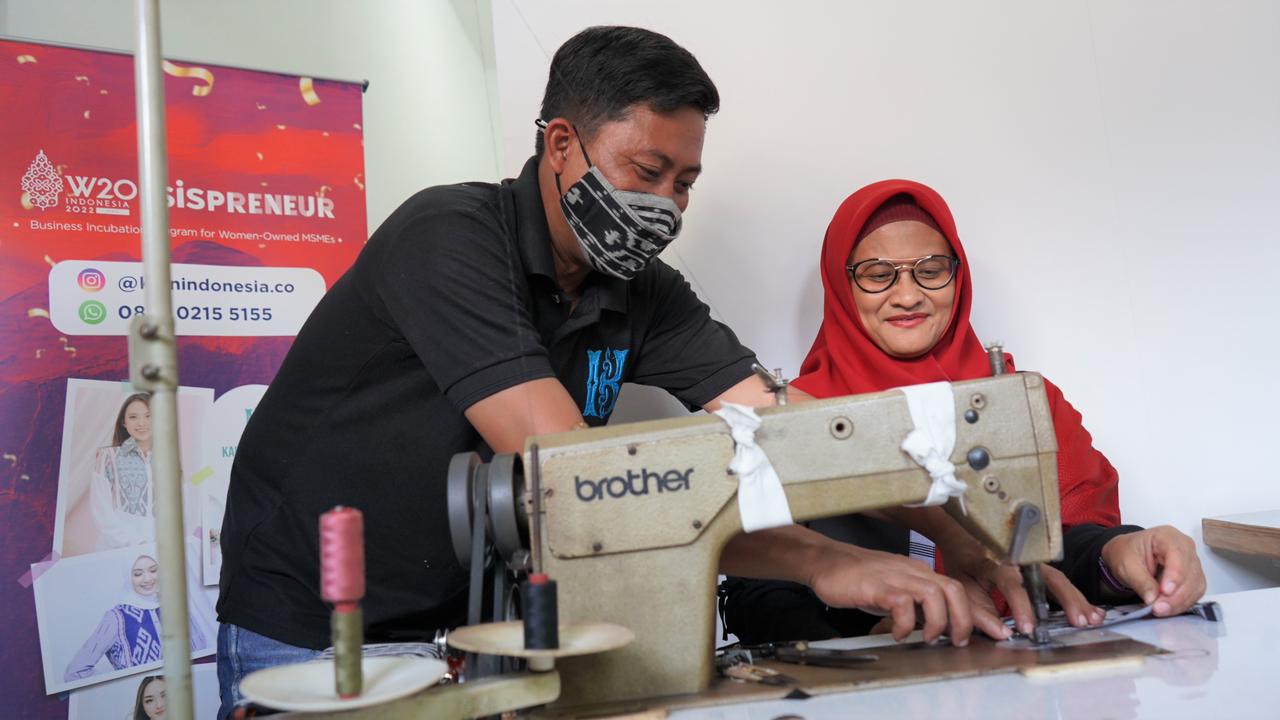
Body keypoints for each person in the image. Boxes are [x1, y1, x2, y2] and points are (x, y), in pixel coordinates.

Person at [215, 26, 989, 717]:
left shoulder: (643, 290)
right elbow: (585, 486)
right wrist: (825, 562)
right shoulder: (447, 240)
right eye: (647, 170)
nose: (667, 205)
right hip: (316, 639)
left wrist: (955, 529)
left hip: (468, 630)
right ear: (561, 145)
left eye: (684, 182)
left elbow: (793, 426)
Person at [720, 180, 1206, 643]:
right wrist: (863, 644)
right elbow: (757, 595)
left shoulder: (1024, 402)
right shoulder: (794, 416)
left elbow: (1066, 548)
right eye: (877, 274)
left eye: (931, 270)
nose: (908, 295)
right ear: (840, 284)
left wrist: (1117, 552)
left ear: (958, 275)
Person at [64, 554, 207, 680]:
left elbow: (199, 652)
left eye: (153, 570)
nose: (148, 579)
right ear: (128, 576)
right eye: (138, 574)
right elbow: (75, 672)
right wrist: (121, 682)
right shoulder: (116, 618)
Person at [91, 392, 154, 550]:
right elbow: (100, 507)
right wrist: (131, 543)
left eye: (149, 416)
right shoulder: (107, 456)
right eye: (133, 417)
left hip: (156, 551)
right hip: (116, 549)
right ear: (124, 422)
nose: (142, 423)